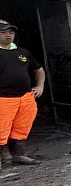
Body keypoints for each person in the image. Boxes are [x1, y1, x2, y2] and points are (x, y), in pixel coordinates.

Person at [0, 20, 45, 169]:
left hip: (25, 98)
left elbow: (38, 69)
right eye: (4, 32)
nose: (8, 35)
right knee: (1, 130)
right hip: (4, 99)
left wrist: (40, 86)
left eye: (11, 33)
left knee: (21, 128)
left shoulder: (22, 52)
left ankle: (18, 155)